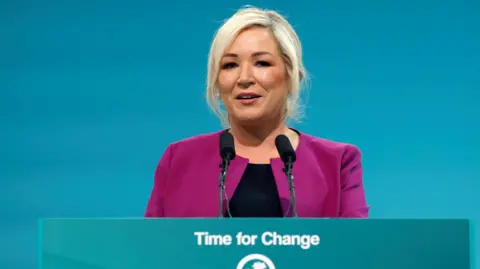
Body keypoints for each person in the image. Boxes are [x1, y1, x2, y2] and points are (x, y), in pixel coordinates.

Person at [145, 6, 369, 218]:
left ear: (292, 76)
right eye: (230, 65)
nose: (244, 79)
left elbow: (355, 250)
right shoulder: (180, 159)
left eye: (261, 63)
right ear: (216, 82)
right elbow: (152, 250)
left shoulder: (337, 162)